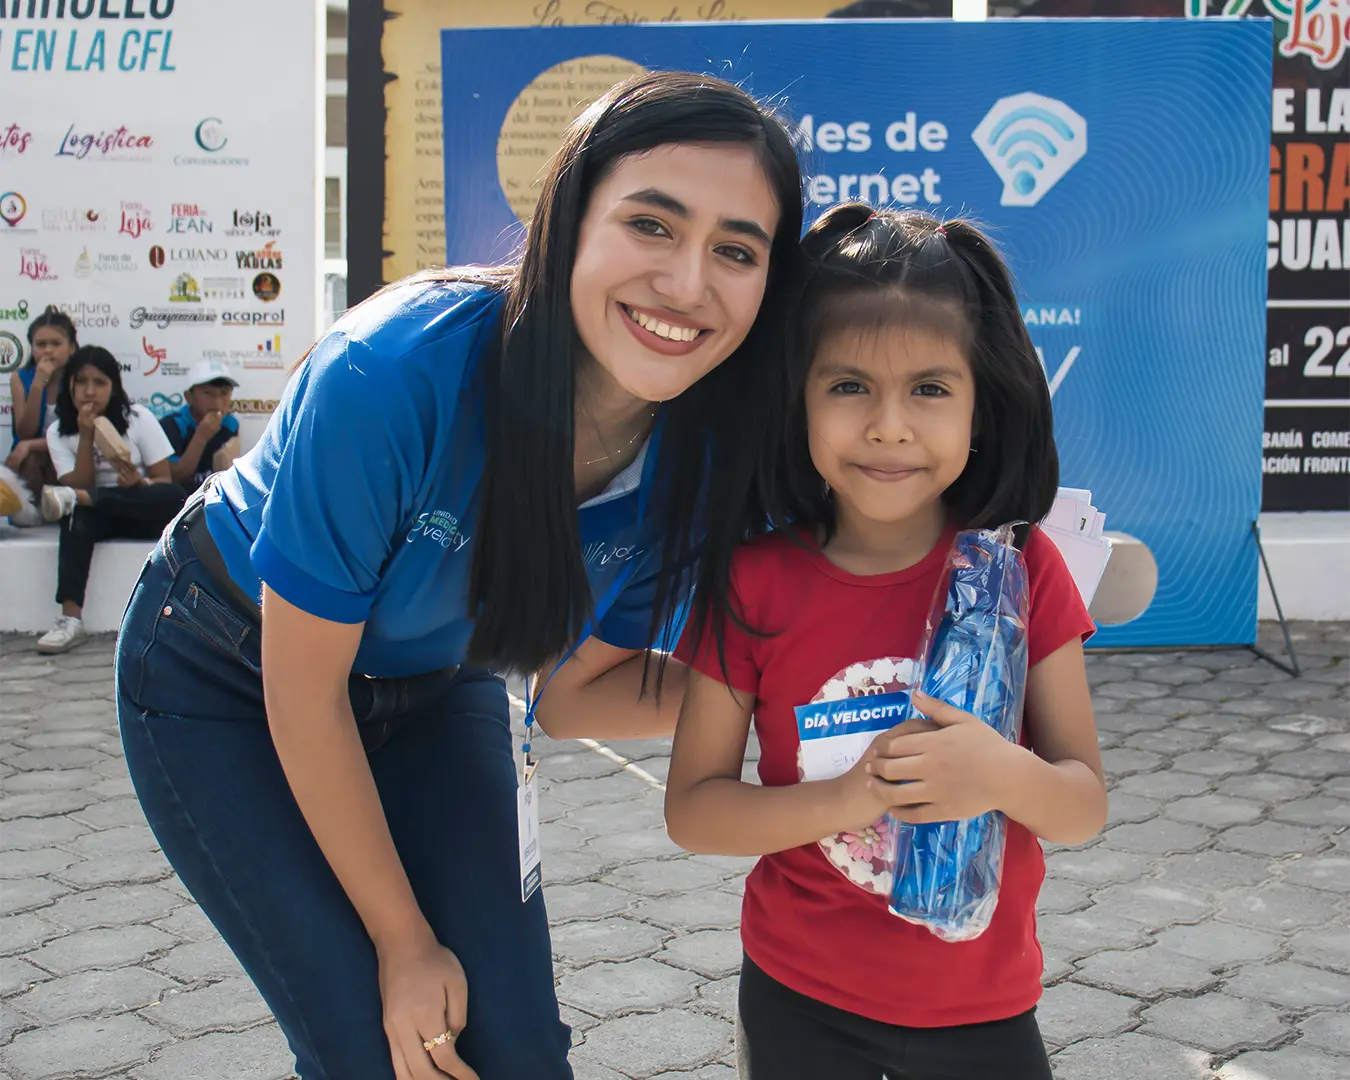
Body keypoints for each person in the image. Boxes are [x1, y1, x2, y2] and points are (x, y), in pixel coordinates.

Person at [116, 71, 803, 1080]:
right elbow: (303, 699)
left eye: (736, 250)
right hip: (222, 671)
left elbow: (575, 698)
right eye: (652, 226)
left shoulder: (702, 459)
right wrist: (403, 940)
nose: (689, 283)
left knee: (519, 1051)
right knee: (379, 1047)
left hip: (440, 688)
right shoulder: (394, 371)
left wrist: (786, 690)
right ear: (569, 219)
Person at [665, 205, 1108, 1080]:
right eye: (848, 386)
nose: (889, 426)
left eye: (931, 390)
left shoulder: (1018, 570)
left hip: (985, 1006)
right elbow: (693, 809)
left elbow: (1083, 804)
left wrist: (1001, 772)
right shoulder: (754, 582)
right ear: (797, 397)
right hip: (801, 999)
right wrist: (847, 799)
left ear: (985, 403)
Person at [36, 346, 188, 653]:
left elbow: (163, 481)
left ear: (114, 386)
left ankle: (84, 499)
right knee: (76, 514)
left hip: (139, 508)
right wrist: (86, 434)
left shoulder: (138, 418)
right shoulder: (58, 432)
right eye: (81, 382)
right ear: (70, 386)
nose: (89, 391)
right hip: (95, 516)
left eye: (100, 383)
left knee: (174, 496)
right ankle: (70, 620)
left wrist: (139, 481)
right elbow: (80, 482)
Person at [2, 305, 78, 526]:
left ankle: (64, 508)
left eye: (56, 344)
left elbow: (76, 435)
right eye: (41, 344)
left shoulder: (79, 379)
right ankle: (31, 510)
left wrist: (29, 445)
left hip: (67, 454)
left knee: (40, 454)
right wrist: (37, 385)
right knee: (31, 458)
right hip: (32, 464)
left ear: (71, 347)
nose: (48, 351)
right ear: (32, 347)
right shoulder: (20, 378)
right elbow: (24, 432)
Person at [159, 359, 242, 494]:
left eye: (224, 393)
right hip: (182, 501)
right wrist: (201, 437)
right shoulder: (172, 425)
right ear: (188, 397)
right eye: (207, 393)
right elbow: (174, 478)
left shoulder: (230, 424)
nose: (217, 401)